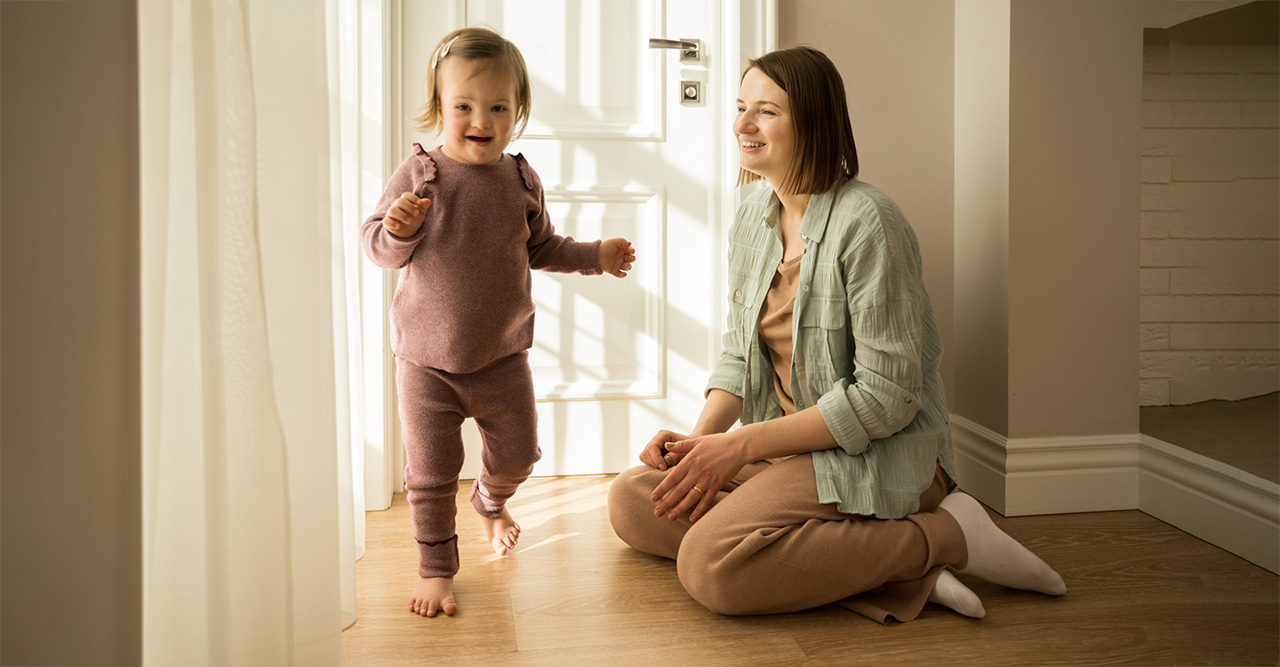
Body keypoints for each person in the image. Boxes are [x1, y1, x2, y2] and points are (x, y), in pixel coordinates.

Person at [607, 46, 1064, 623]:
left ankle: (947, 535)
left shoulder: (869, 222)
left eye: (766, 111)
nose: (742, 125)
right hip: (788, 450)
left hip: (874, 453)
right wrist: (701, 446)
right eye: (742, 106)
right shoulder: (753, 216)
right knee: (631, 499)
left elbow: (887, 397)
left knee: (709, 566)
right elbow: (737, 351)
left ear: (814, 123)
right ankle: (887, 571)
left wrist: (741, 446)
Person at [362, 26, 636, 619]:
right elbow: (378, 248)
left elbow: (542, 246)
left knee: (520, 455)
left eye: (498, 107)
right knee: (431, 475)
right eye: (463, 106)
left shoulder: (519, 179)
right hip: (426, 361)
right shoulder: (421, 175)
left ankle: (491, 500)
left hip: (503, 358)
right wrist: (398, 230)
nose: (480, 119)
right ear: (439, 108)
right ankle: (437, 567)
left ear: (518, 113)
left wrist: (595, 255)